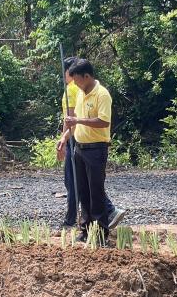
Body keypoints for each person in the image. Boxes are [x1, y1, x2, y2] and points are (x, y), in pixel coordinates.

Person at [59, 57, 125, 229]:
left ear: (87, 76)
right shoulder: (81, 94)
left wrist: (78, 120)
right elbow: (74, 125)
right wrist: (65, 137)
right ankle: (86, 230)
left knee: (96, 193)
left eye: (78, 81)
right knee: (83, 193)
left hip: (96, 149)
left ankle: (100, 232)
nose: (76, 85)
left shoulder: (102, 94)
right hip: (79, 148)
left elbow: (104, 121)